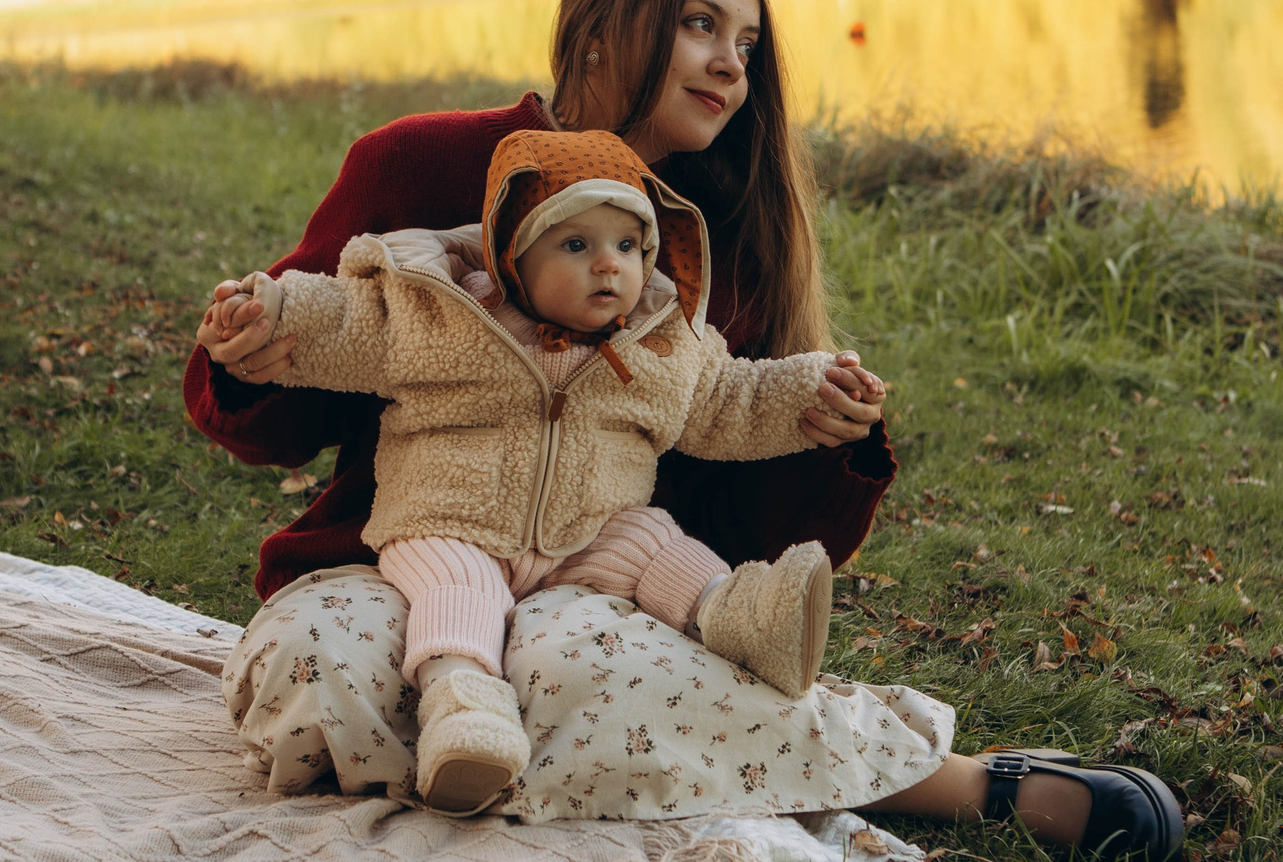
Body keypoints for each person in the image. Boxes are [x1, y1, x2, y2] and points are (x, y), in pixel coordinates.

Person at [188, 0, 1180, 862]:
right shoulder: (420, 164)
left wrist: (824, 430)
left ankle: (943, 782)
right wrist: (252, 344)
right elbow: (293, 380)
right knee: (319, 668)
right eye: (700, 24)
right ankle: (548, 754)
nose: (729, 64)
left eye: (745, 42)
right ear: (600, 29)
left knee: (575, 667)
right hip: (396, 563)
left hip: (589, 588)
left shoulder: (712, 238)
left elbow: (735, 482)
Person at [203, 125, 861, 814]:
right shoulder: (440, 311)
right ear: (512, 252)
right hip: (450, 520)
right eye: (576, 244)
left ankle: (746, 614)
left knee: (657, 543)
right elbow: (343, 323)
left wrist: (813, 389)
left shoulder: (661, 339)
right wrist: (270, 311)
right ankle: (464, 711)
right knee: (458, 591)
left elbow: (730, 399)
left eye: (629, 246)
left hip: (589, 530)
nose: (609, 266)